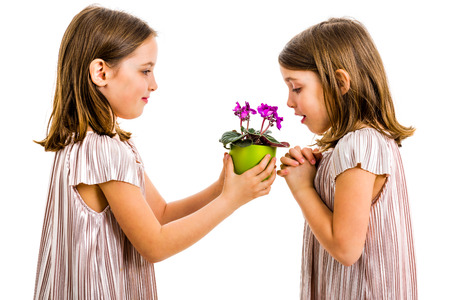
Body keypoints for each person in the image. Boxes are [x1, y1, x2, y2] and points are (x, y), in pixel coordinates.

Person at [33, 5, 276, 299]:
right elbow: (155, 245)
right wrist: (230, 201)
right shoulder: (104, 151)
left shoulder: (86, 143)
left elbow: (159, 215)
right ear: (101, 72)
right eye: (145, 70)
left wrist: (221, 188)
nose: (154, 84)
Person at [277, 18, 417, 299]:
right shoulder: (357, 144)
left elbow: (345, 249)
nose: (289, 102)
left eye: (297, 88)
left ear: (340, 82)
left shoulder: (360, 144)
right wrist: (314, 173)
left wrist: (303, 188)